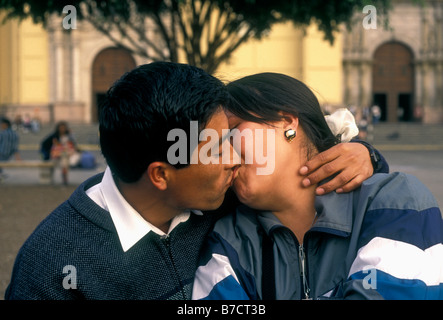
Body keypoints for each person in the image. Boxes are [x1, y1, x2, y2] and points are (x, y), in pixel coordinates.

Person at [5, 63, 383, 300]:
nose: (236, 161)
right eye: (219, 149)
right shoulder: (51, 267)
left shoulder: (219, 197)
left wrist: (363, 153)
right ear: (160, 175)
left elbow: (299, 159)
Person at [192, 73, 443, 300]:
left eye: (233, 132)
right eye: (218, 145)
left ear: (287, 122)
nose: (226, 155)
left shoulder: (393, 201)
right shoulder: (228, 240)